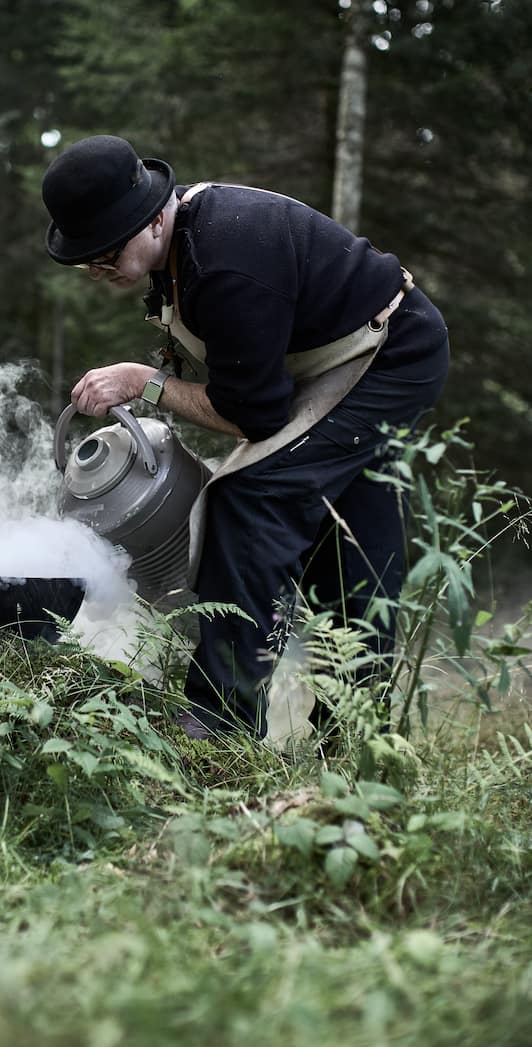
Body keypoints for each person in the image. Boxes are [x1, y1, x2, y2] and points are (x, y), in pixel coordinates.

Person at [42, 134, 449, 741]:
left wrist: (144, 384)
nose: (96, 269)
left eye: (104, 252)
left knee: (247, 496)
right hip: (344, 359)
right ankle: (359, 737)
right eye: (86, 259)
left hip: (387, 356)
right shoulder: (177, 247)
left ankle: (219, 721)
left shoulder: (225, 260)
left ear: (154, 218)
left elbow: (256, 415)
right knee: (354, 535)